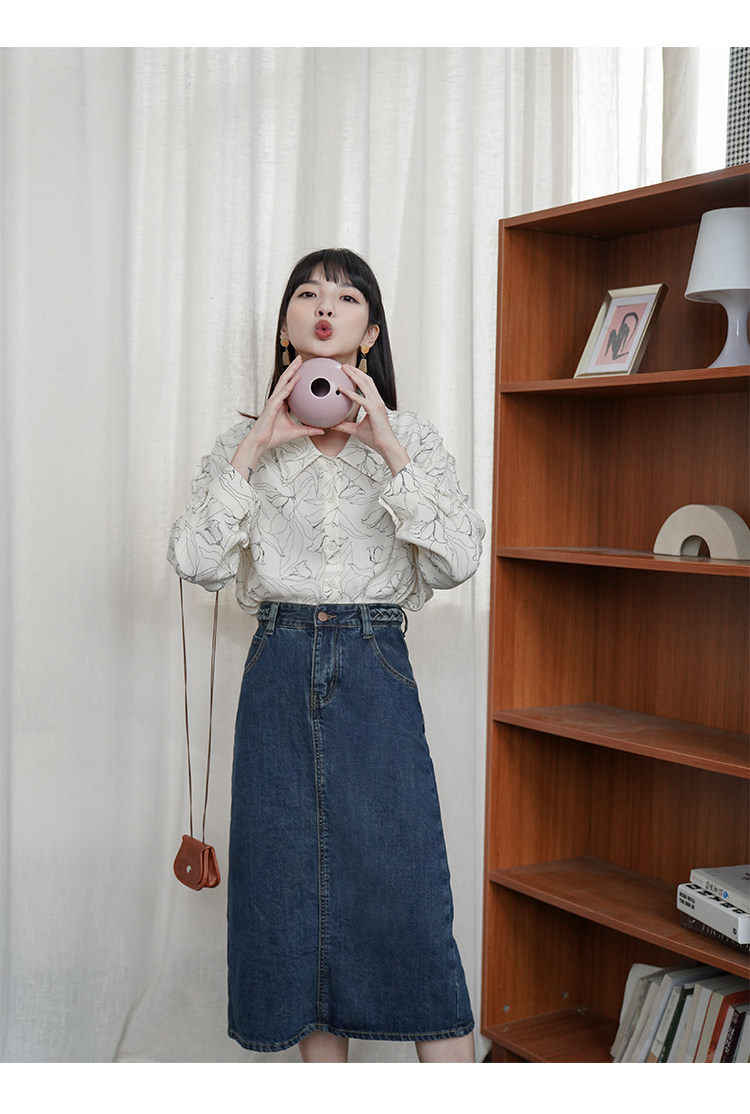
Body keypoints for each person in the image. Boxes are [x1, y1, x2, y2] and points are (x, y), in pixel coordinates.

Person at [168, 248, 484, 1063]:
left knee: (407, 893)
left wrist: (388, 444)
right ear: (286, 325)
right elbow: (195, 559)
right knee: (290, 898)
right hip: (277, 663)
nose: (323, 307)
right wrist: (256, 446)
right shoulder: (245, 442)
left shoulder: (411, 438)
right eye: (307, 293)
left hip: (376, 662)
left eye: (346, 298)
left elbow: (457, 561)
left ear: (370, 333)